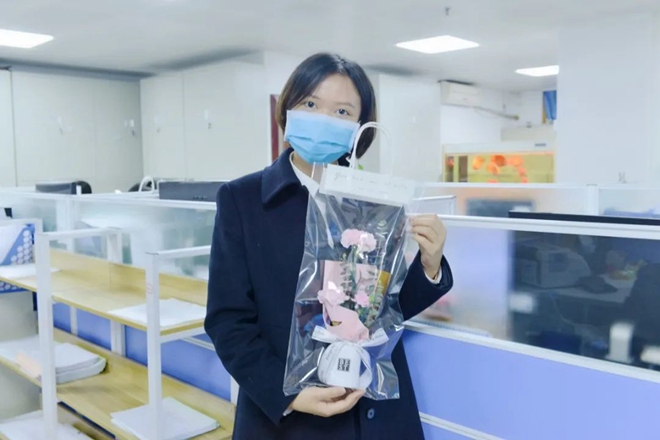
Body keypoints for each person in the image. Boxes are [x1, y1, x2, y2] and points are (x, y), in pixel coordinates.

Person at [204, 52, 453, 440]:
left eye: (342, 111)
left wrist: (430, 264)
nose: (324, 119)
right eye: (310, 104)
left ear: (359, 127)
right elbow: (227, 321)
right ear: (288, 109)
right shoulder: (243, 200)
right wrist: (289, 396)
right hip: (288, 421)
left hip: (374, 413)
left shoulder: (375, 199)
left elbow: (386, 310)